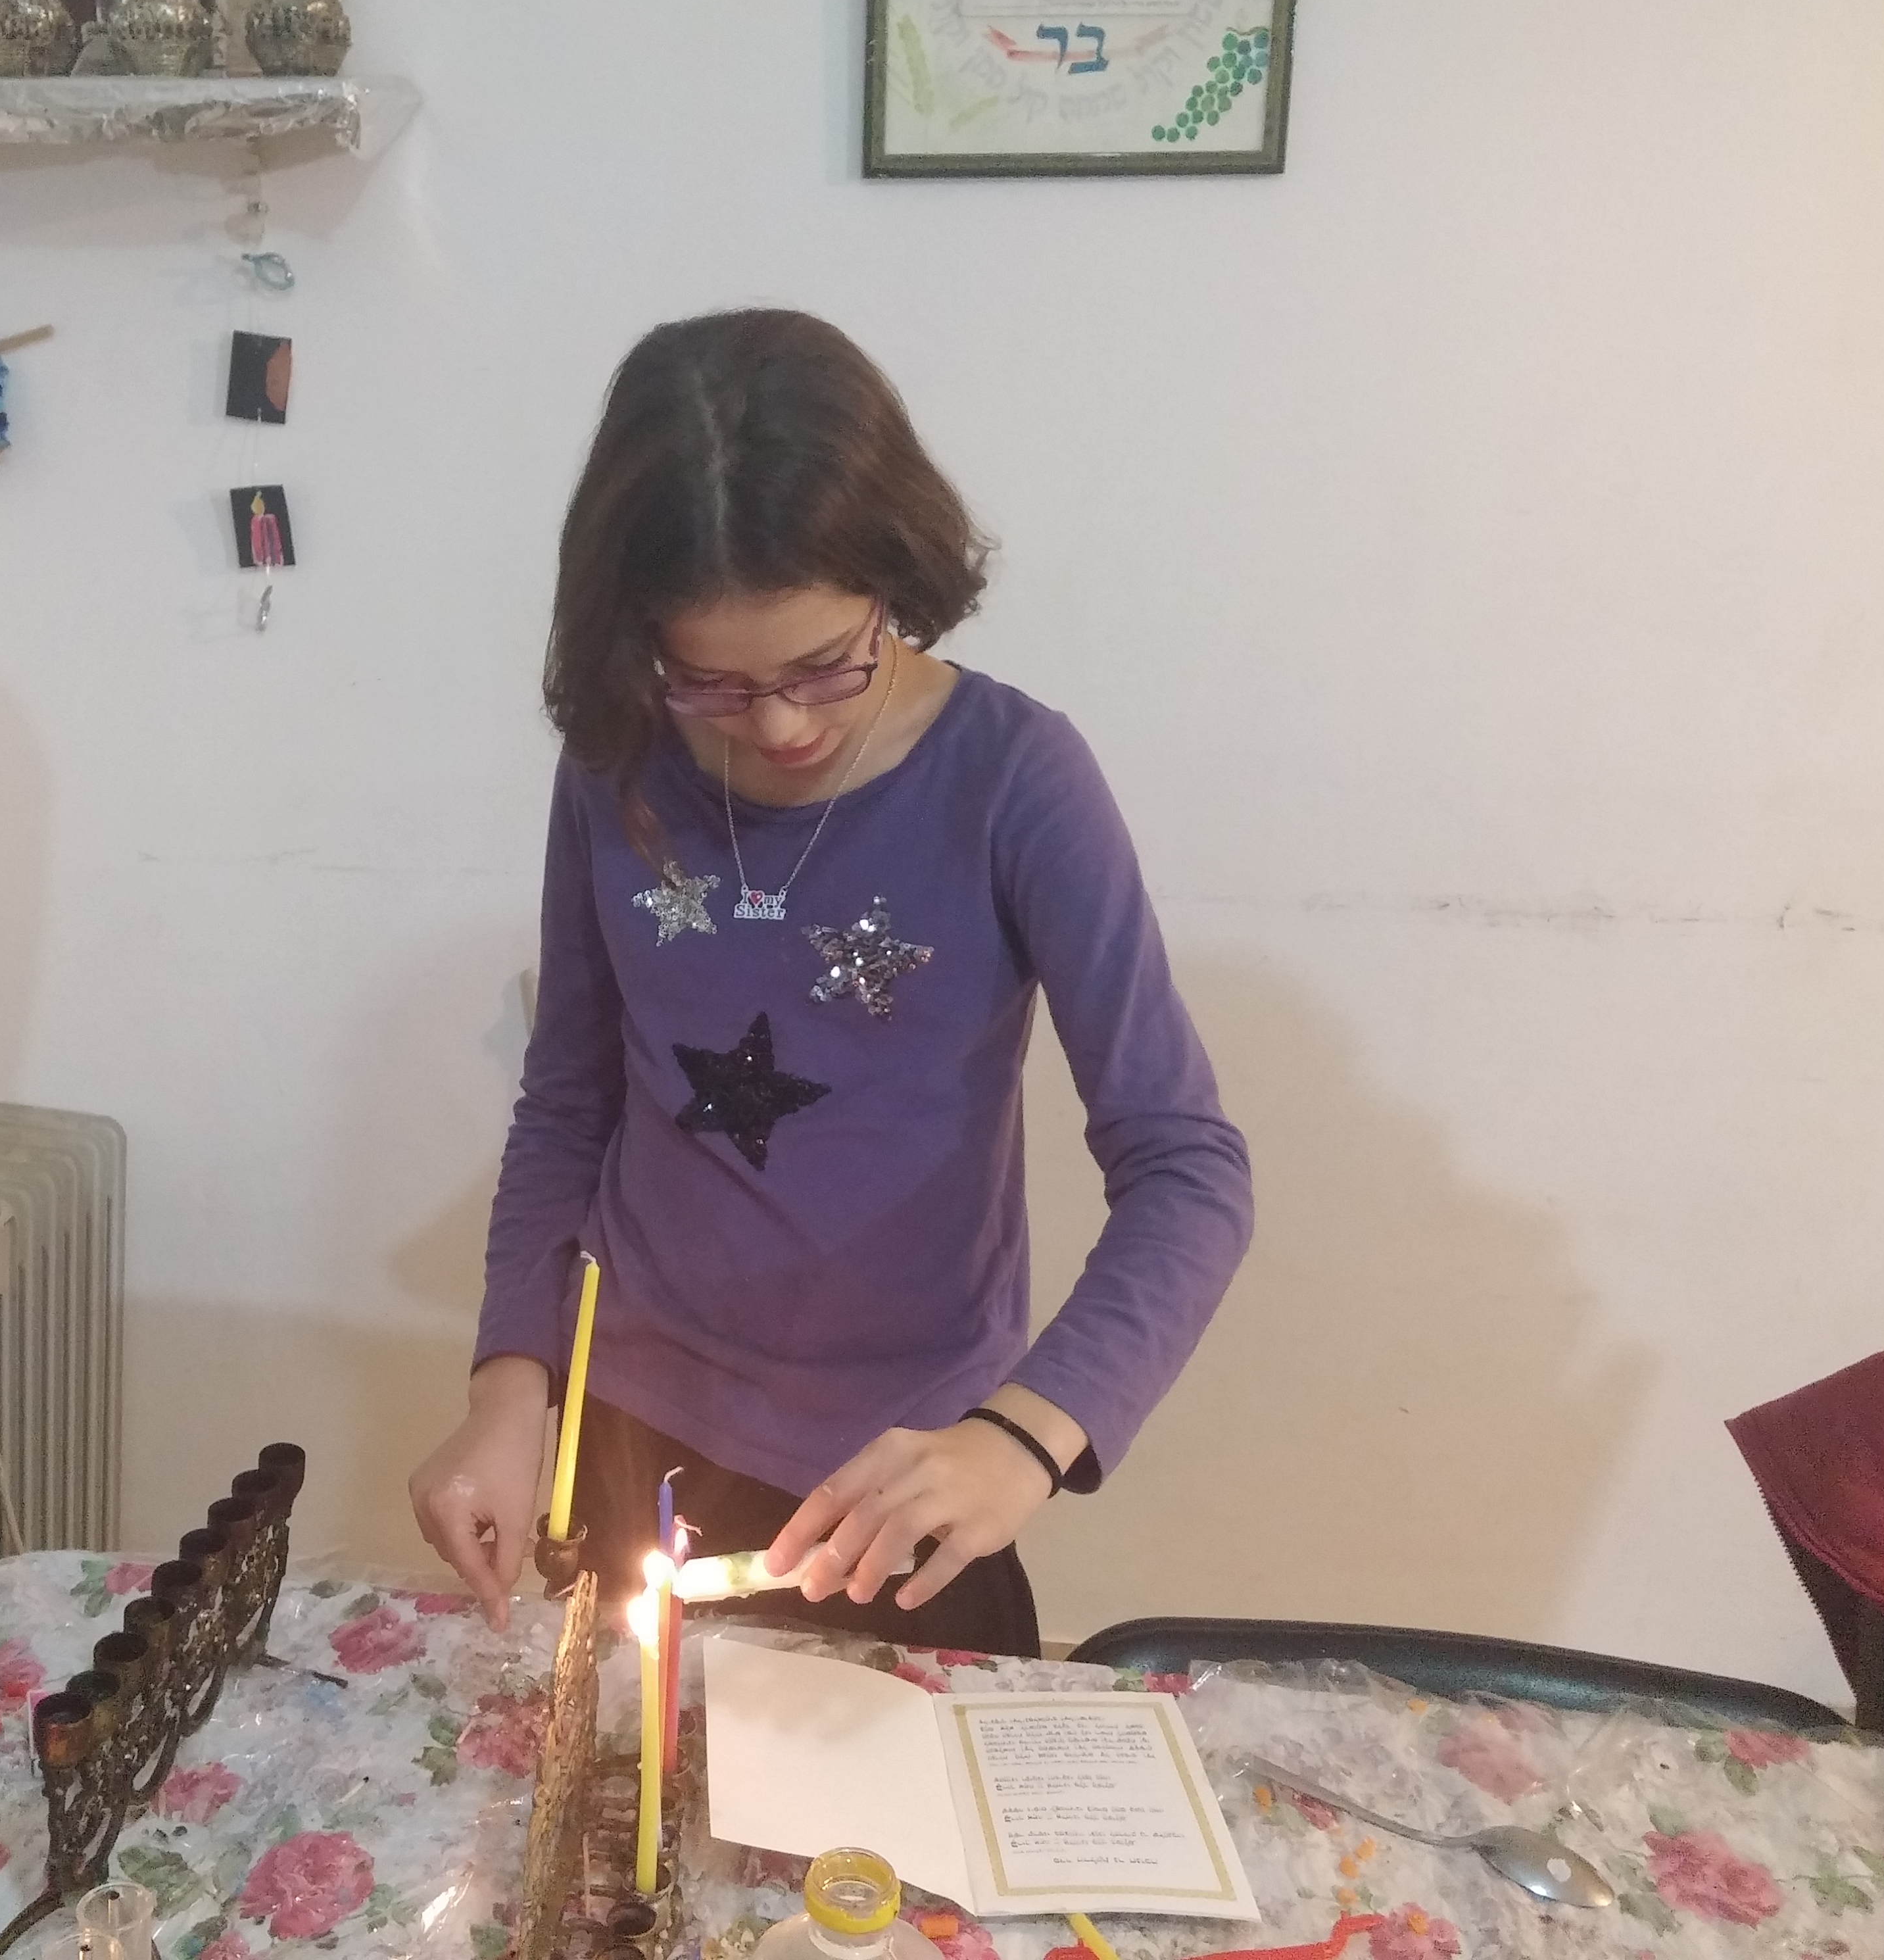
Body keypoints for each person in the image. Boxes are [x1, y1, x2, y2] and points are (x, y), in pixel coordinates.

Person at [406, 309, 1252, 1656]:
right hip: (628, 1428)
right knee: (614, 1780)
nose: (782, 725)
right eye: (713, 683)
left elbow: (1189, 1169)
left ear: (893, 581)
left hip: (903, 1470)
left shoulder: (1013, 780)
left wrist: (1024, 1437)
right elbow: (568, 1101)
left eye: (824, 667)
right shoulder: (618, 766)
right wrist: (511, 1389)